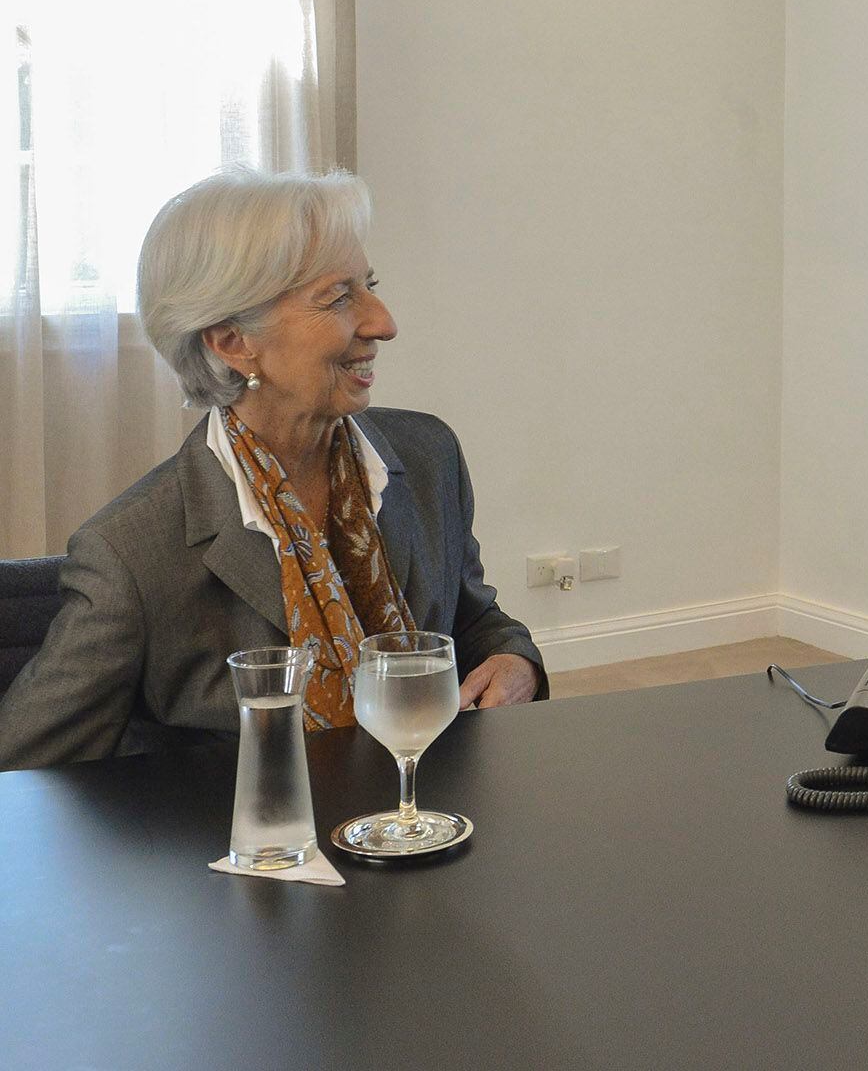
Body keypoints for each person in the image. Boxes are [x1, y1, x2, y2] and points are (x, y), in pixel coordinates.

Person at [0, 170, 544, 770]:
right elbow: (24, 770)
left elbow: (473, 621)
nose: (383, 322)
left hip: (429, 826)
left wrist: (514, 662)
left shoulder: (426, 451)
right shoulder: (131, 551)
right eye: (339, 297)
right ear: (233, 342)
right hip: (264, 854)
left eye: (370, 285)